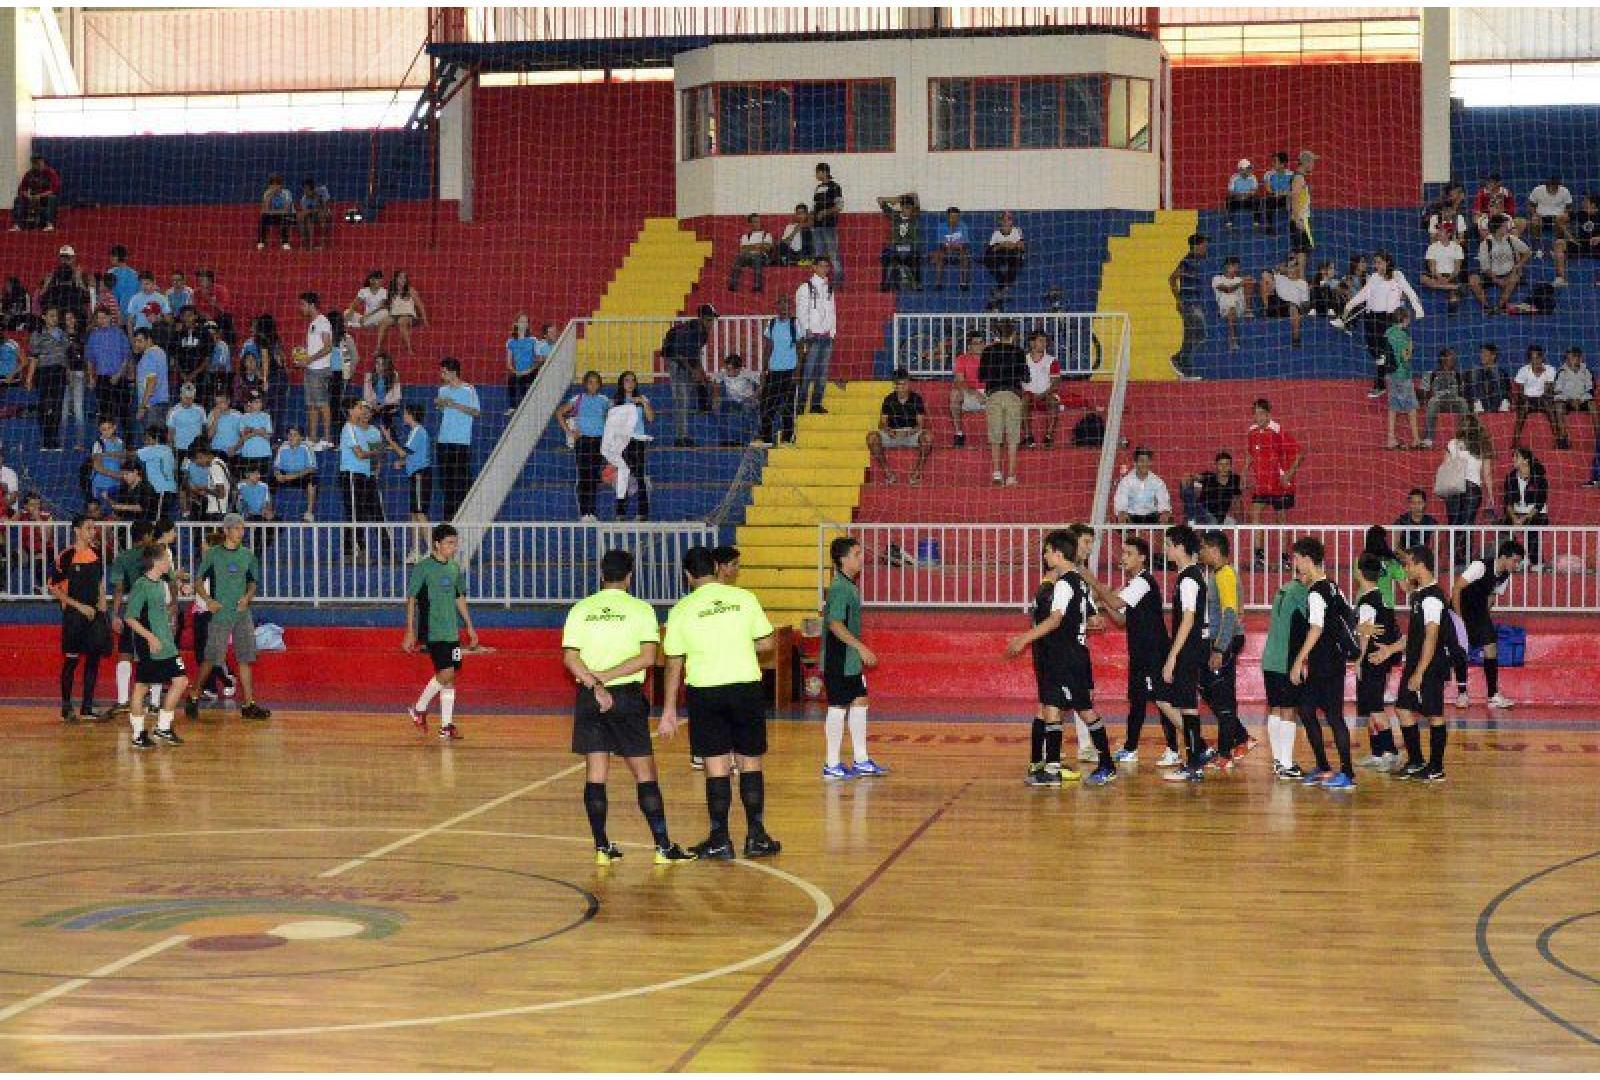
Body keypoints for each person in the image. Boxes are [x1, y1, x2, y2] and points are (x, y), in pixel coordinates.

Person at [561, 549, 696, 866]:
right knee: (645, 773)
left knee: (596, 773)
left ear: (601, 573)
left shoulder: (581, 608)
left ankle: (601, 848)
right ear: (630, 576)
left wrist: (595, 684)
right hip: (625, 696)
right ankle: (662, 846)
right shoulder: (640, 610)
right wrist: (607, 679)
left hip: (590, 695)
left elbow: (570, 658)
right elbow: (648, 658)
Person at [659, 546, 780, 861]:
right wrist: (738, 643)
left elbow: (673, 662)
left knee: (717, 767)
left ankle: (720, 839)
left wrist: (669, 709)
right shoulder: (744, 599)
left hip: (706, 691)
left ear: (687, 576)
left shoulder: (681, 610)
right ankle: (756, 836)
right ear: (716, 567)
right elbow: (768, 642)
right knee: (750, 761)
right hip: (745, 687)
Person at [1007, 526, 1116, 787]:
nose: (1044, 556)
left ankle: (1107, 763)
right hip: (1065, 654)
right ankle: (1052, 768)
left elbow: (1055, 620)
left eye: (1047, 552)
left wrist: (1025, 638)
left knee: (1085, 711)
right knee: (1052, 708)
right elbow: (1082, 618)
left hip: (1067, 656)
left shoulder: (1066, 583)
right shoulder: (1077, 581)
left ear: (1058, 553)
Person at [1084, 536, 1178, 765]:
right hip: (1139, 652)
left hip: (1154, 652)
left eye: (1128, 554)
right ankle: (1130, 748)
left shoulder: (1143, 582)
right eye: (1123, 553)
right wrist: (1105, 600)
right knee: (1136, 700)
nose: (1123, 558)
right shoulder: (1132, 584)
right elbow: (1119, 618)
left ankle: (1176, 749)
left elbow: (1116, 604)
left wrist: (1097, 585)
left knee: (1162, 700)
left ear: (1142, 557)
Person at [1373, 545, 1454, 782]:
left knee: (1434, 714)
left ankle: (1436, 767)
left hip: (1429, 665)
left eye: (1408, 564)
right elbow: (1415, 636)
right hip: (1417, 662)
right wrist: (1390, 649)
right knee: (1402, 708)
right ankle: (1416, 760)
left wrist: (1419, 671)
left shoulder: (1433, 597)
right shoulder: (1419, 595)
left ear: (1420, 565)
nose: (1405, 569)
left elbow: (1431, 636)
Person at [183, 513, 270, 723]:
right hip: (220, 614)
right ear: (227, 530)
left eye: (243, 528)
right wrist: (208, 600)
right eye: (238, 528)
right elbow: (198, 581)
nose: (242, 532)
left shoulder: (248, 555)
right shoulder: (213, 554)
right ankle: (194, 696)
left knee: (246, 658)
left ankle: (249, 703)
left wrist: (247, 597)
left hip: (241, 613)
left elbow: (252, 582)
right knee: (211, 658)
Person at [1287, 537, 1355, 789]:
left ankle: (1347, 773)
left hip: (1324, 662)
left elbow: (1315, 629)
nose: (1294, 563)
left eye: (1296, 558)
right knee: (1306, 710)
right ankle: (1324, 766)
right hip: (1332, 661)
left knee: (1333, 717)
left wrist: (1298, 661)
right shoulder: (1332, 586)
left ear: (1306, 559)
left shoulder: (1316, 593)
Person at [819, 536, 888, 780]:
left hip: (849, 659)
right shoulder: (839, 588)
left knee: (860, 701)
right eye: (857, 554)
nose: (862, 559)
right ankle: (832, 764)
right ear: (843, 559)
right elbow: (835, 624)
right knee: (837, 707)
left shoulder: (849, 586)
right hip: (838, 657)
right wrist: (861, 647)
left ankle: (860, 760)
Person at [404, 524, 478, 740]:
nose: (454, 547)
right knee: (445, 673)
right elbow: (411, 599)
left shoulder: (454, 568)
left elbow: (459, 598)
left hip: (451, 631)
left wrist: (470, 626)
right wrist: (410, 631)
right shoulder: (424, 568)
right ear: (437, 544)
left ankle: (446, 726)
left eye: (455, 543)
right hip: (433, 630)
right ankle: (419, 708)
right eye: (449, 543)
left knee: (451, 676)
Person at [1154, 525, 1211, 782]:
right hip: (1193, 648)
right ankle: (1198, 755)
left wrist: (1172, 655)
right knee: (1186, 707)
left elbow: (1188, 619)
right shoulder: (1192, 575)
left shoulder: (1189, 578)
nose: (1166, 549)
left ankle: (1193, 765)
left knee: (1188, 708)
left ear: (1179, 547)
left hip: (1189, 649)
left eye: (1168, 545)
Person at [122, 543, 189, 749]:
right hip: (149, 643)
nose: (170, 563)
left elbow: (160, 609)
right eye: (167, 559)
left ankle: (163, 726)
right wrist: (150, 637)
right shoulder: (141, 585)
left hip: (166, 642)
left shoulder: (161, 583)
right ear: (158, 562)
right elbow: (130, 618)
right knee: (142, 686)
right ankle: (137, 733)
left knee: (181, 681)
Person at [1336, 250, 1425, 397]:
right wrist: (1349, 306)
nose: (1376, 265)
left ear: (1387, 262)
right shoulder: (1374, 278)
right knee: (1375, 352)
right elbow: (1363, 294)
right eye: (1375, 262)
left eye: (1379, 262)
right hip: (1371, 318)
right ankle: (1383, 373)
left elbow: (1410, 292)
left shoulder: (1397, 276)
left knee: (1389, 353)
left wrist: (1418, 310)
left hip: (1388, 319)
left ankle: (1381, 385)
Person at [1451, 538, 1524, 712]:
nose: (1517, 565)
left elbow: (1492, 596)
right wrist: (1459, 618)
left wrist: (1484, 618)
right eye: (1515, 561)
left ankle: (1492, 696)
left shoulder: (1505, 575)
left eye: (1519, 562)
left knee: (1491, 646)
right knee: (1461, 649)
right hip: (1459, 609)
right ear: (1503, 557)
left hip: (1478, 611)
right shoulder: (1480, 566)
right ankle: (1462, 693)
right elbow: (1456, 589)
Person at [49, 515, 108, 724]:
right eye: (89, 528)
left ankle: (87, 707)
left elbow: (99, 581)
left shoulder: (96, 554)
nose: (93, 531)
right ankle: (66, 707)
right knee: (72, 661)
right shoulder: (66, 556)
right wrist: (79, 606)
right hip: (74, 616)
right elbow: (53, 588)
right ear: (77, 530)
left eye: (94, 528)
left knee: (93, 661)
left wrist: (103, 602)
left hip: (94, 614)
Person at [1199, 530, 1252, 763]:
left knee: (1223, 696)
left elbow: (1229, 612)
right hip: (1222, 639)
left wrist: (1220, 648)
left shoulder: (1225, 575)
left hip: (1225, 640)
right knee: (1211, 690)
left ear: (1213, 549)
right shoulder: (1218, 574)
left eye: (1203, 548)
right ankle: (1241, 737)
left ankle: (1224, 753)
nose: (1200, 553)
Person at [1353, 552, 1405, 771]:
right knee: (1370, 707)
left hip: (1372, 658)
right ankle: (1376, 753)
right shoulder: (1381, 597)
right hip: (1382, 658)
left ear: (1359, 573)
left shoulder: (1366, 601)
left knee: (1375, 708)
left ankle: (1391, 752)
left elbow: (1365, 635)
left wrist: (1359, 659)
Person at [1261, 565, 1309, 779]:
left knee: (1275, 708)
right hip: (1285, 659)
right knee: (1289, 710)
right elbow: (1313, 626)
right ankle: (1287, 765)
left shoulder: (1283, 589)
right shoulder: (1302, 593)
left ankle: (1279, 761)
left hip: (1270, 657)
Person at [1245, 398, 1303, 569]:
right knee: (1255, 513)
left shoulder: (1278, 431)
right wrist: (1243, 472)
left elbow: (1300, 454)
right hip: (1262, 485)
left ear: (1269, 415)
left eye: (1262, 414)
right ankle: (1259, 558)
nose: (1258, 417)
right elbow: (1250, 454)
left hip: (1280, 485)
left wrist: (1289, 475)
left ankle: (1285, 559)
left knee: (1281, 520)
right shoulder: (1252, 432)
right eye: (1255, 414)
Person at [107, 519, 156, 718]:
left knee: (125, 653)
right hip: (151, 609)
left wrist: (115, 614)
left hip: (131, 610)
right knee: (153, 652)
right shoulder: (153, 555)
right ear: (145, 536)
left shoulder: (123, 558)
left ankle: (122, 700)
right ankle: (152, 703)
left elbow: (119, 589)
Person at [978, 319, 1026, 487]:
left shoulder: (988, 352)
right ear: (1013, 335)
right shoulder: (1019, 352)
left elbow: (981, 376)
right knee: (1013, 438)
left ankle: (997, 473)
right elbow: (1026, 376)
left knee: (995, 437)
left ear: (997, 335)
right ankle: (1011, 476)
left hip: (994, 395)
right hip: (1013, 394)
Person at [339, 400, 390, 560]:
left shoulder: (374, 431)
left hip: (368, 475)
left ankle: (388, 551)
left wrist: (376, 467)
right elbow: (361, 454)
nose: (365, 412)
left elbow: (380, 454)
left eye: (368, 410)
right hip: (352, 475)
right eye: (362, 409)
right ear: (353, 411)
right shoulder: (349, 428)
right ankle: (357, 552)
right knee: (355, 514)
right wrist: (376, 452)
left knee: (377, 513)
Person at [1441, 412, 1494, 563]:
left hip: (1454, 487)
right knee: (1467, 524)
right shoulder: (1483, 445)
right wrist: (1490, 496)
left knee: (1453, 524)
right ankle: (1466, 559)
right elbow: (1487, 474)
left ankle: (1454, 559)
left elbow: (1445, 466)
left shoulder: (1452, 443)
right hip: (1472, 487)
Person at [559, 370, 609, 522]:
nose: (593, 385)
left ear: (600, 384)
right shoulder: (578, 398)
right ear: (585, 384)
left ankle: (592, 512)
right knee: (583, 477)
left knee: (594, 477)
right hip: (583, 442)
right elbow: (560, 413)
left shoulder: (604, 400)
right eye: (590, 382)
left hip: (599, 442)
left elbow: (610, 418)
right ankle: (583, 512)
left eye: (596, 382)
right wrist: (570, 431)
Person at [867, 369, 931, 486]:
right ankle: (888, 473)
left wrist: (911, 432)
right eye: (898, 384)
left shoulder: (917, 398)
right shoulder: (888, 399)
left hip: (911, 433)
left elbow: (921, 424)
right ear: (894, 385)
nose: (901, 387)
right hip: (892, 433)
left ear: (908, 383)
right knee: (871, 437)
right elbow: (881, 423)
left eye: (904, 384)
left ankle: (916, 473)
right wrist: (888, 430)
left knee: (927, 438)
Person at [662, 303, 715, 445]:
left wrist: (702, 373)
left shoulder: (703, 333)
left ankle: (685, 433)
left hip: (684, 362)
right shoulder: (690, 331)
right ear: (702, 318)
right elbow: (679, 354)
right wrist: (694, 371)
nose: (711, 323)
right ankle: (681, 438)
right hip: (676, 362)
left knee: (689, 395)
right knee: (682, 400)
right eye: (709, 319)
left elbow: (695, 354)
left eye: (712, 320)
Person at [435, 357, 479, 521]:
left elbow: (476, 412)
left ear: (453, 372)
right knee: (446, 483)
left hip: (460, 442)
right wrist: (440, 403)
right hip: (443, 441)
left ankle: (467, 515)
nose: (441, 374)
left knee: (461, 482)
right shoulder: (443, 390)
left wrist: (454, 405)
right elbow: (441, 409)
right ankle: (449, 519)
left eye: (444, 371)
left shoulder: (469, 389)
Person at [386, 404, 433, 559]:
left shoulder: (417, 431)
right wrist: (402, 463)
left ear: (411, 414)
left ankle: (433, 550)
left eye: (405, 413)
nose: (403, 416)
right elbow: (414, 455)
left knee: (420, 513)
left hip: (420, 475)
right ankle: (415, 551)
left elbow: (402, 452)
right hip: (417, 474)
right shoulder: (417, 432)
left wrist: (389, 439)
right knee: (414, 514)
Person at [755, 295, 801, 448]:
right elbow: (768, 346)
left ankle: (788, 439)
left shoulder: (796, 324)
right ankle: (766, 439)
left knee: (787, 407)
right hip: (773, 371)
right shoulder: (772, 324)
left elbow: (801, 349)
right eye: (780, 305)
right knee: (767, 405)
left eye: (786, 305)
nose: (783, 309)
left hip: (789, 371)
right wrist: (764, 369)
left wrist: (797, 372)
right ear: (776, 308)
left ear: (791, 308)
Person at [611, 370, 654, 521]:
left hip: (638, 441)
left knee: (639, 476)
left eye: (633, 380)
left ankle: (642, 512)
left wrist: (643, 402)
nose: (630, 383)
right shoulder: (616, 401)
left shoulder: (642, 399)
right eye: (627, 380)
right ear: (622, 384)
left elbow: (650, 418)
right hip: (623, 441)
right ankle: (620, 512)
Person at [795, 260, 836, 414]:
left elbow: (832, 310)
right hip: (812, 336)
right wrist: (807, 331)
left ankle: (816, 404)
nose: (824, 269)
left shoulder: (829, 287)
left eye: (826, 266)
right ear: (814, 268)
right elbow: (801, 311)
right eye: (821, 266)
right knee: (807, 372)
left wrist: (833, 331)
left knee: (823, 373)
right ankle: (800, 405)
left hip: (826, 335)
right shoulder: (805, 287)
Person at [1469, 214, 1532, 314]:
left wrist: (1518, 265)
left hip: (1509, 273)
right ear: (1497, 228)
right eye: (1504, 225)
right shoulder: (1485, 244)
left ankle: (1500, 306)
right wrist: (1497, 280)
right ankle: (1486, 307)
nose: (1507, 227)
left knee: (1514, 277)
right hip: (1490, 275)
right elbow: (1485, 267)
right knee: (1473, 280)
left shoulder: (1511, 239)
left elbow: (1527, 252)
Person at [295, 292, 335, 452]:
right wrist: (302, 356)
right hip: (310, 369)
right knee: (311, 405)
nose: (300, 308)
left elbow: (328, 347)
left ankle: (326, 439)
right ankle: (312, 438)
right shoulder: (313, 323)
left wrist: (309, 359)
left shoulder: (323, 322)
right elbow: (316, 348)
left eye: (303, 304)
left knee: (322, 405)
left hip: (319, 371)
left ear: (312, 305)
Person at [1511, 345, 1569, 450]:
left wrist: (1544, 374)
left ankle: (1557, 439)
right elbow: (1519, 392)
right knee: (1523, 408)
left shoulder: (1550, 370)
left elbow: (1549, 391)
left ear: (1543, 358)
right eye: (1532, 358)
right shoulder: (1523, 370)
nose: (1536, 361)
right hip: (1527, 399)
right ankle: (1515, 441)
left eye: (1538, 358)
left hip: (1544, 399)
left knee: (1550, 407)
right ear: (1529, 359)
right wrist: (1525, 400)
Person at [30, 306, 71, 451]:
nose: (54, 318)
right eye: (51, 315)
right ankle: (45, 440)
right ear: (44, 317)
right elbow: (34, 357)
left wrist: (68, 372)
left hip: (59, 372)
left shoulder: (62, 334)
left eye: (56, 316)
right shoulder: (37, 334)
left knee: (57, 406)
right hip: (43, 372)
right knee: (44, 406)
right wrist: (29, 377)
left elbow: (66, 356)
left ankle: (54, 440)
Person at [1503, 447, 1550, 569]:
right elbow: (1508, 502)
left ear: (1526, 460)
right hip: (1517, 513)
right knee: (1503, 527)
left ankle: (1536, 561)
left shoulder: (1539, 479)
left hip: (1535, 513)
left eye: (1516, 456)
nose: (1513, 459)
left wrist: (1523, 519)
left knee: (1531, 526)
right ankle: (1516, 560)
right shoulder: (1510, 477)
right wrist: (1514, 518)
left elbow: (1539, 504)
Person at [1169, 233, 1208, 377]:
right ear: (1197, 246)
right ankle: (1179, 360)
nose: (1206, 247)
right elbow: (1172, 278)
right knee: (1198, 333)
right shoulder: (1187, 260)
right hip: (1189, 304)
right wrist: (1178, 300)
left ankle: (1184, 368)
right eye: (1204, 244)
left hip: (1195, 304)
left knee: (1193, 335)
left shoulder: (1197, 261)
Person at [1385, 307, 1421, 449]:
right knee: (1411, 407)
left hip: (1390, 375)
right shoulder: (1403, 336)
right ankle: (1416, 439)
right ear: (1405, 319)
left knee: (1393, 407)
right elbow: (1405, 358)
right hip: (1402, 375)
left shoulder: (1388, 332)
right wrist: (1411, 347)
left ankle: (1391, 438)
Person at [1419, 348, 1469, 448]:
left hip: (1453, 401)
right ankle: (1428, 438)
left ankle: (1463, 438)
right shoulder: (1430, 374)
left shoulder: (1458, 374)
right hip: (1438, 402)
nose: (1454, 358)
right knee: (1432, 402)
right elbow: (1422, 393)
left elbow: (1463, 392)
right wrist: (1429, 394)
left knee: (1463, 402)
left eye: (1454, 356)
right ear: (1443, 359)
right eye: (1451, 356)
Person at [1019, 331, 1061, 447]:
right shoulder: (1023, 359)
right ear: (1032, 343)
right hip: (1028, 394)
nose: (1044, 344)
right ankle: (1028, 437)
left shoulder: (1052, 361)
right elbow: (1018, 382)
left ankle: (1048, 437)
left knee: (1053, 401)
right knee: (1024, 400)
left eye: (1045, 341)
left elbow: (1055, 384)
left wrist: (1042, 395)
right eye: (1041, 341)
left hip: (1047, 394)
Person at [947, 331, 987, 448]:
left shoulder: (990, 358)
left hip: (989, 394)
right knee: (955, 394)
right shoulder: (962, 359)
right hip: (970, 394)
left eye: (981, 343)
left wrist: (989, 394)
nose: (979, 345)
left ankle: (997, 437)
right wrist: (975, 393)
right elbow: (959, 381)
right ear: (969, 346)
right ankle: (959, 434)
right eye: (976, 343)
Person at [711, 353, 759, 447]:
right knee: (718, 409)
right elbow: (715, 382)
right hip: (731, 400)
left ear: (738, 369)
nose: (726, 371)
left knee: (747, 410)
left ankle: (745, 439)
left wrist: (755, 396)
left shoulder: (746, 373)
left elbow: (761, 383)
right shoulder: (723, 372)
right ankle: (725, 440)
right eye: (726, 368)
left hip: (746, 400)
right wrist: (716, 397)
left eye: (729, 369)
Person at [272, 426, 319, 523]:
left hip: (300, 475)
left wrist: (293, 476)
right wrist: (277, 475)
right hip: (285, 475)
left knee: (313, 479)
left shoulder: (306, 447)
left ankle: (309, 513)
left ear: (301, 438)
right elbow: (276, 466)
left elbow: (312, 468)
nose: (291, 437)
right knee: (270, 480)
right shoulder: (283, 447)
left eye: (295, 435)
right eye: (290, 434)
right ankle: (270, 511)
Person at [1113, 448, 1171, 524]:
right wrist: (1121, 513)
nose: (1145, 464)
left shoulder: (1157, 482)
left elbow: (1164, 502)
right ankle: (1127, 536)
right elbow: (1121, 502)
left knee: (1168, 519)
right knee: (1121, 519)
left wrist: (1165, 512)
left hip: (1151, 515)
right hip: (1132, 516)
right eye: (1142, 461)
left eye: (1148, 461)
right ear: (1135, 463)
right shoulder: (1126, 481)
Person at [1181, 451, 1241, 526]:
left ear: (1230, 466)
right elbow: (1193, 477)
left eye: (1226, 464)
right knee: (1186, 488)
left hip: (1216, 518)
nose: (1223, 467)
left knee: (1212, 522)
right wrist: (1188, 478)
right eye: (1220, 464)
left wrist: (1240, 520)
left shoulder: (1234, 479)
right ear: (1216, 466)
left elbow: (1237, 500)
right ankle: (1191, 518)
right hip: (1201, 511)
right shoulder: (1209, 476)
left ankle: (1191, 518)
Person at [375, 270, 426, 357]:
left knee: (402, 321)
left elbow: (420, 305)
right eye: (401, 277)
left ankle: (409, 348)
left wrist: (425, 320)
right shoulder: (391, 291)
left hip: (408, 316)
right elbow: (388, 305)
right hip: (394, 316)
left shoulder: (410, 290)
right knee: (383, 322)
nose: (403, 280)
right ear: (396, 279)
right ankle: (378, 348)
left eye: (404, 278)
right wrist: (383, 304)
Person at [877, 194, 921, 292]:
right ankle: (885, 284)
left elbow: (915, 195)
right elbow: (879, 200)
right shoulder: (895, 216)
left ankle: (917, 283)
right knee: (887, 258)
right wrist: (894, 200)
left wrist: (898, 199)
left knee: (916, 258)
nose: (907, 210)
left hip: (910, 250)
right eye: (905, 208)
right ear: (901, 207)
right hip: (895, 250)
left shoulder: (914, 217)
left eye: (909, 208)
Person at [982, 210, 1025, 304]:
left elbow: (1021, 246)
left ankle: (1001, 289)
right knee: (988, 260)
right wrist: (1003, 245)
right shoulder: (996, 233)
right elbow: (991, 250)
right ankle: (1003, 287)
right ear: (1000, 222)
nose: (1006, 222)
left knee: (1015, 260)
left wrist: (1010, 245)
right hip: (1001, 255)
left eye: (1009, 220)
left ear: (1012, 221)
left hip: (1013, 255)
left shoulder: (1017, 231)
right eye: (1004, 220)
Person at [1212, 255, 1253, 350]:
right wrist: (1240, 283)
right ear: (1227, 266)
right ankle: (1232, 341)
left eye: (1237, 267)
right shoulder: (1217, 278)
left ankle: (1248, 310)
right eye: (1234, 266)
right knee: (1230, 306)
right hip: (1224, 307)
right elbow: (1227, 289)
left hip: (1240, 305)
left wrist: (1247, 281)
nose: (1236, 269)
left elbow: (1249, 286)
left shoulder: (1239, 279)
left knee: (1249, 281)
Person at [11, 152, 61, 231]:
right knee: (18, 199)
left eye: (38, 162)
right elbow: (22, 188)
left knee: (52, 198)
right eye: (34, 162)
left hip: (45, 198)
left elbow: (55, 189)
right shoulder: (29, 174)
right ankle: (17, 225)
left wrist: (40, 196)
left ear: (43, 162)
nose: (37, 164)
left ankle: (49, 224)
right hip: (32, 198)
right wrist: (27, 195)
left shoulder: (51, 173)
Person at [811, 162, 843, 282]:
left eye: (817, 172)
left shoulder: (835, 187)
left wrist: (825, 212)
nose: (816, 175)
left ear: (824, 172)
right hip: (817, 227)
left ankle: (838, 281)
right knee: (818, 255)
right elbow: (814, 207)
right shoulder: (818, 188)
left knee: (833, 253)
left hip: (829, 226)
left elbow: (839, 206)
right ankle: (819, 280)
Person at [1421, 228, 1466, 312]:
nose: (1438, 232)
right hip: (1437, 274)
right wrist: (1439, 277)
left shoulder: (1457, 247)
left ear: (1448, 234)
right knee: (1423, 278)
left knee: (1454, 298)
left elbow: (1457, 268)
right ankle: (1455, 287)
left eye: (1441, 231)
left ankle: (1452, 300)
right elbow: (1431, 266)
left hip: (1451, 275)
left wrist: (1448, 278)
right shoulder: (1432, 247)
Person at [728, 212, 774, 293]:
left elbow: (767, 248)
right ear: (750, 223)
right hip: (748, 257)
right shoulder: (745, 236)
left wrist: (751, 247)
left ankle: (757, 286)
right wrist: (758, 245)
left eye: (758, 221)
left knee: (757, 256)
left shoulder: (767, 234)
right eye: (755, 222)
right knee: (739, 257)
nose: (757, 223)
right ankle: (733, 285)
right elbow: (743, 249)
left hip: (762, 258)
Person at [930, 207, 971, 290]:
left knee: (965, 255)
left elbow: (965, 244)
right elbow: (941, 244)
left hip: (959, 252)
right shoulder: (941, 227)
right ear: (947, 217)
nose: (954, 219)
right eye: (952, 217)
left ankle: (963, 283)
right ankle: (938, 284)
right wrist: (950, 246)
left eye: (956, 217)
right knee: (939, 255)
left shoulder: (963, 226)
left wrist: (954, 246)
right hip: (946, 252)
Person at [505, 314, 539, 414]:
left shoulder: (533, 340)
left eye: (526, 322)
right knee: (511, 379)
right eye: (521, 321)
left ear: (528, 325)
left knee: (525, 381)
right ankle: (512, 407)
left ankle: (525, 407)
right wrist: (515, 371)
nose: (524, 324)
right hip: (519, 372)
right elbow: (509, 364)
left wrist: (529, 370)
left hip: (531, 371)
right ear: (516, 324)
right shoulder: (510, 342)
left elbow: (538, 360)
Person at [1466, 342, 1510, 414]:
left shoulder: (1502, 373)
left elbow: (1506, 389)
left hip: (1496, 402)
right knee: (1475, 370)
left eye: (1485, 353)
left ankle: (1503, 403)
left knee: (1497, 371)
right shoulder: (1475, 372)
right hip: (1480, 402)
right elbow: (1468, 389)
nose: (1481, 356)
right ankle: (1477, 403)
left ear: (1493, 356)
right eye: (1481, 353)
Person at [1288, 149, 1318, 256]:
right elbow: (1294, 199)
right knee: (1301, 256)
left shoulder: (1300, 177)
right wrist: (1297, 220)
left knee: (1302, 254)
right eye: (1312, 162)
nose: (1313, 165)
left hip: (1301, 219)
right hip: (1300, 219)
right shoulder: (1298, 178)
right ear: (1306, 163)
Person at [257, 174, 295, 249]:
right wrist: (271, 195)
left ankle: (285, 242)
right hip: (275, 215)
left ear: (281, 185)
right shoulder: (267, 193)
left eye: (277, 184)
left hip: (290, 215)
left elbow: (286, 210)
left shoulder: (286, 193)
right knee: (263, 218)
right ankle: (261, 242)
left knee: (284, 218)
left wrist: (271, 211)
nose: (275, 187)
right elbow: (264, 210)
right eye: (272, 185)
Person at [1260, 151, 1294, 233]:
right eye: (1273, 161)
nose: (1272, 163)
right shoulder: (1268, 174)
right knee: (1267, 201)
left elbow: (1293, 189)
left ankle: (1294, 224)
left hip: (1288, 197)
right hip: (1275, 197)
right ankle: (1269, 226)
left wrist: (1284, 193)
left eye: (1275, 162)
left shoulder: (1291, 174)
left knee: (1293, 199)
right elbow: (1268, 189)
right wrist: (1277, 193)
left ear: (1283, 164)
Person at [1555, 345, 1593, 416]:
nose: (1568, 361)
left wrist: (1581, 400)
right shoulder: (1561, 372)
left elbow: (1590, 390)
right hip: (1567, 401)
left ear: (1580, 359)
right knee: (1559, 406)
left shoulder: (1587, 372)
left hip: (1582, 401)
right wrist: (1569, 400)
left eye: (1572, 358)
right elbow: (1558, 391)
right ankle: (1561, 427)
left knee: (1592, 405)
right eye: (1567, 358)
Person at [297, 177, 333, 249]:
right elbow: (306, 212)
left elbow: (327, 204)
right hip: (313, 216)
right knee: (305, 219)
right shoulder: (303, 199)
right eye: (304, 189)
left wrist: (318, 201)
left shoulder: (322, 190)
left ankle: (323, 244)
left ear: (313, 189)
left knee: (321, 216)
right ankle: (309, 244)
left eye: (307, 189)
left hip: (325, 213)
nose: (305, 192)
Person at [1223, 159, 1258, 231]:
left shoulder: (1253, 177)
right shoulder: (1234, 178)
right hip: (1237, 199)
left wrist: (1246, 196)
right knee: (1228, 200)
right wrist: (1239, 196)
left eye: (1250, 168)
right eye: (1248, 169)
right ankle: (1228, 222)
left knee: (1257, 200)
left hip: (1248, 198)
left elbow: (1254, 191)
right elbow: (1231, 192)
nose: (1250, 170)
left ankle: (1256, 222)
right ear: (1241, 170)